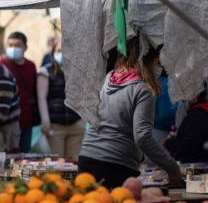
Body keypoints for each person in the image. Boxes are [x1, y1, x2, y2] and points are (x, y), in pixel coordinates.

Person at [79, 38, 182, 188]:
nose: (160, 64)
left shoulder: (110, 77)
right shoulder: (143, 89)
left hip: (87, 158)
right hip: (115, 165)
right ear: (152, 60)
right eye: (158, 60)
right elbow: (142, 137)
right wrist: (173, 168)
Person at [36, 40, 84, 159]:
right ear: (52, 53)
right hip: (55, 125)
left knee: (74, 165)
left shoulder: (79, 71)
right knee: (57, 165)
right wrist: (45, 120)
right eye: (59, 51)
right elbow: (41, 98)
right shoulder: (45, 71)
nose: (63, 53)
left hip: (76, 124)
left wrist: (84, 120)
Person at [0, 31, 38, 153]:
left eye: (17, 45)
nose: (13, 48)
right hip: (8, 120)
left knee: (25, 154)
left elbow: (34, 91)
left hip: (27, 119)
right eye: (10, 45)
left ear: (25, 47)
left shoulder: (31, 66)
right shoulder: (1, 64)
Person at [165, 84, 208, 163]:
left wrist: (169, 142)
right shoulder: (202, 111)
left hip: (196, 165)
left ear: (195, 97)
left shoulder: (196, 115)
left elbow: (188, 146)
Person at [153, 64, 178, 142]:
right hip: (162, 132)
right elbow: (165, 114)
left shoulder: (160, 80)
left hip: (155, 130)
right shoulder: (167, 83)